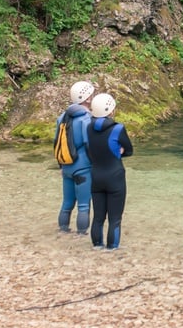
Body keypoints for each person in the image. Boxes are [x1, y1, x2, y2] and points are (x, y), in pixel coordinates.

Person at [87, 93, 133, 251]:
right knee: (115, 218)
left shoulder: (88, 127)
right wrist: (120, 152)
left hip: (96, 175)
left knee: (98, 217)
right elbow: (129, 150)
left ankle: (97, 246)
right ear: (111, 110)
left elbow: (90, 151)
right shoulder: (118, 128)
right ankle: (112, 248)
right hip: (115, 176)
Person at [56, 81, 94, 235]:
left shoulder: (62, 117)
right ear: (88, 98)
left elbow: (56, 143)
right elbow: (88, 144)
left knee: (67, 203)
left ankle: (63, 230)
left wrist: (61, 166)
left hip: (66, 165)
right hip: (83, 167)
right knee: (84, 205)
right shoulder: (86, 118)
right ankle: (81, 235)